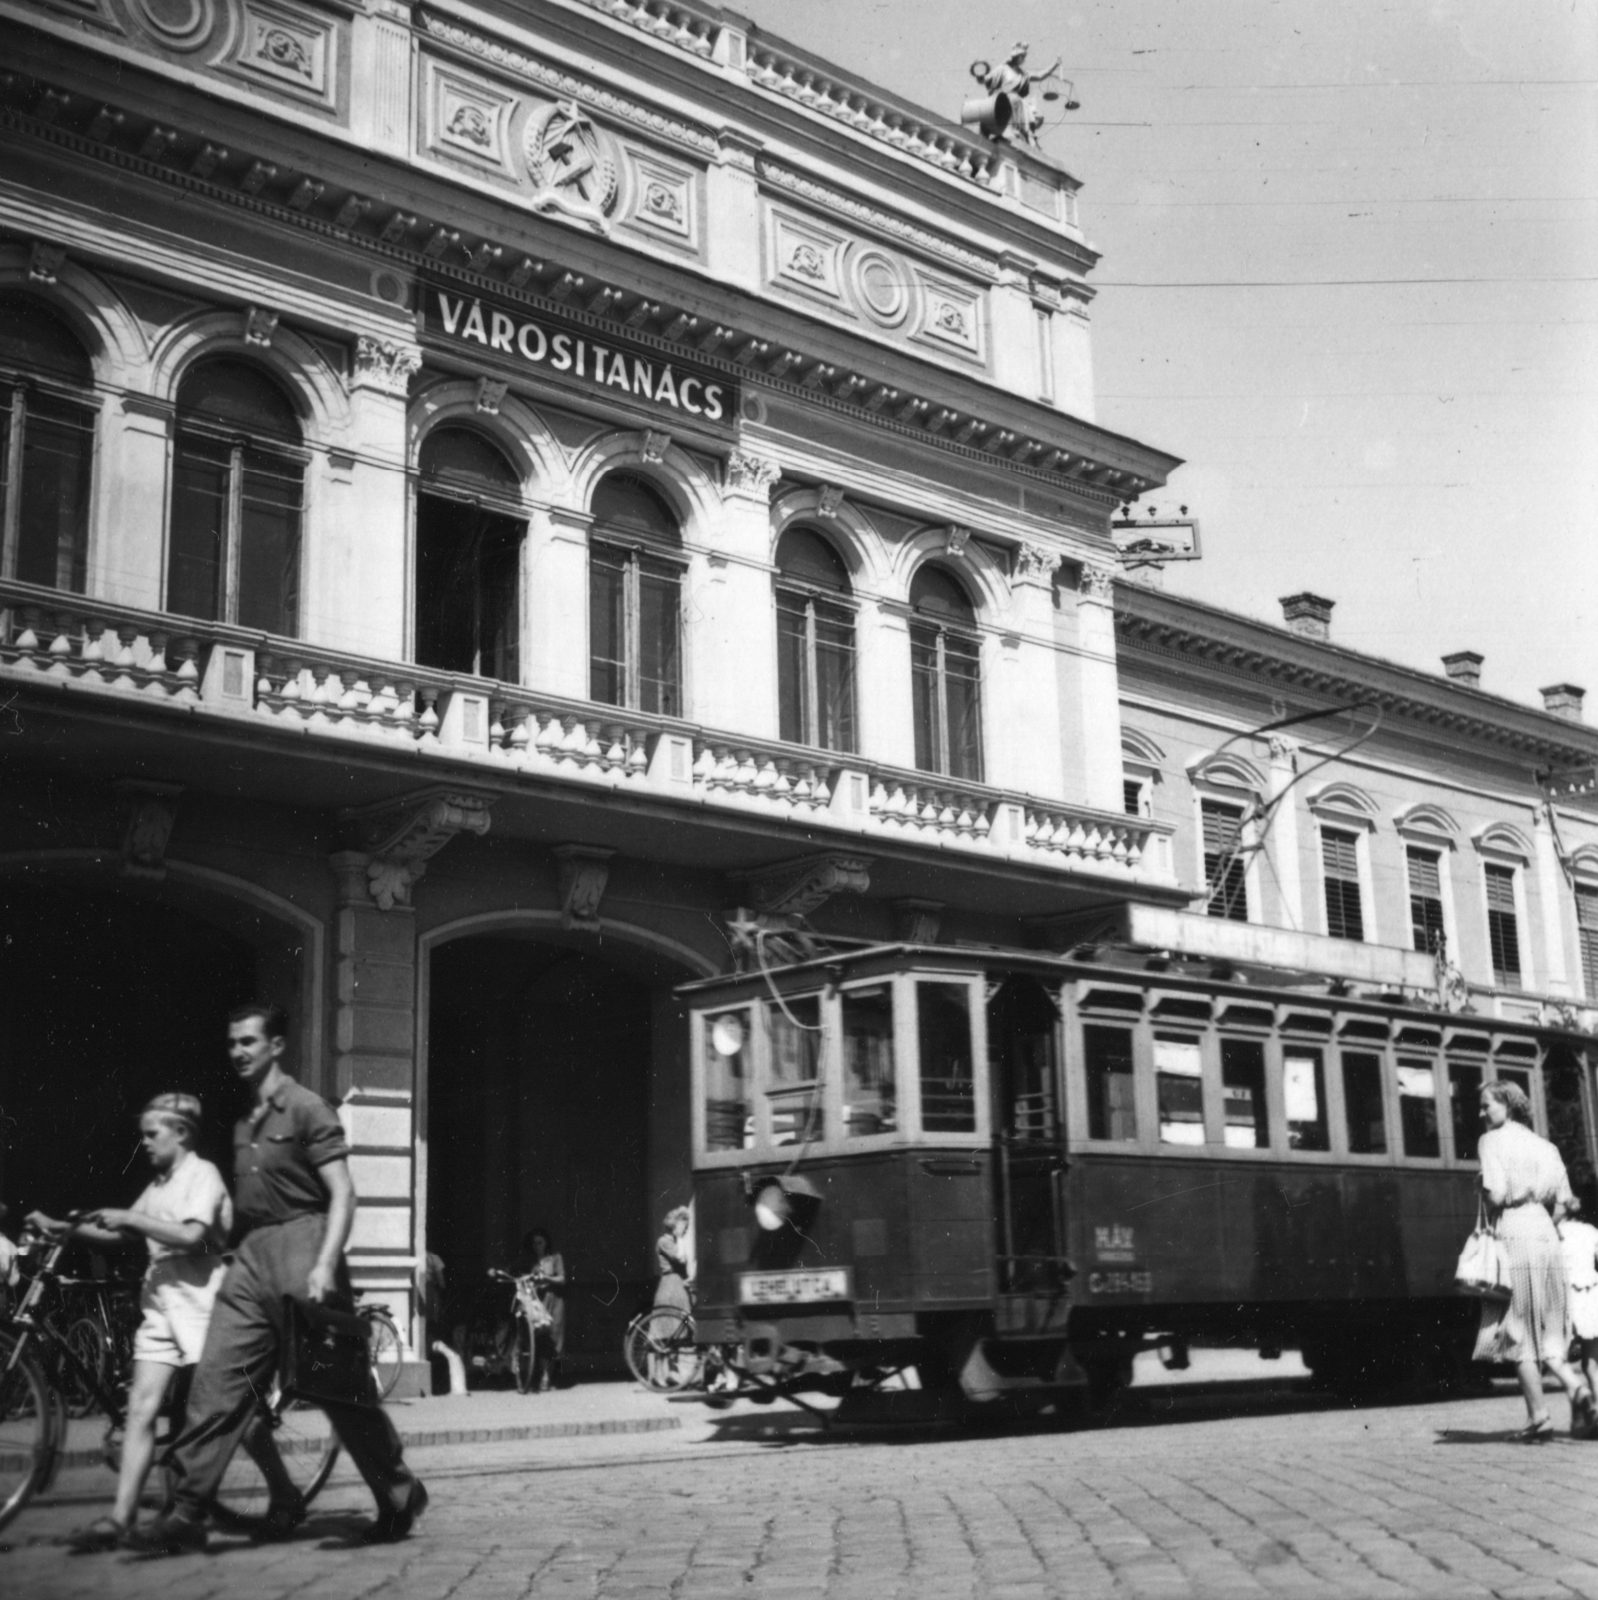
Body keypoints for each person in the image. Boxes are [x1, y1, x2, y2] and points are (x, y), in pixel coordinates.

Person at [133, 1003, 427, 1552]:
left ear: (275, 1046)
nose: (239, 1052)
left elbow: (344, 1192)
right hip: (252, 1256)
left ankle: (399, 1493)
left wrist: (322, 1264)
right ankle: (188, 1511)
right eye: (233, 1044)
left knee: (338, 1390)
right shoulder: (246, 1123)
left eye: (248, 1042)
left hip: (306, 1247)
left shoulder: (308, 1108)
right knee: (217, 1380)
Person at [29, 1094, 300, 1551]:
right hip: (160, 1305)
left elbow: (193, 1235)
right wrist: (65, 1227)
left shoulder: (203, 1176)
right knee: (141, 1406)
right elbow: (122, 1232)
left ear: (182, 1133)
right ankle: (121, 1518)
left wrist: (131, 1218)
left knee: (238, 1415)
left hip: (203, 1304)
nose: (145, 1143)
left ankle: (285, 1493)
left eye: (153, 1134)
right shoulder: (158, 1186)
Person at [1475, 1080, 1595, 1440]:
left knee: (1519, 1329)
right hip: (1546, 1232)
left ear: (1507, 1105)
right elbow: (1566, 1200)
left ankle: (1539, 1416)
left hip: (1515, 1230)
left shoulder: (1491, 1141)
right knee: (1553, 1326)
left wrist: (1483, 1187)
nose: (1481, 1114)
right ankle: (1577, 1387)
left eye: (1486, 1106)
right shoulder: (1545, 1145)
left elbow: (1496, 1194)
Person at [1559, 1182, 1598, 1399]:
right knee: (1591, 1366)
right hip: (1592, 1298)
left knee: (1560, 1359)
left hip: (1568, 1298)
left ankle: (1580, 1410)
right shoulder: (1592, 1231)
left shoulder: (1557, 1232)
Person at [520, 1228, 566, 1392]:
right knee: (541, 1338)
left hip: (554, 1299)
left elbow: (562, 1278)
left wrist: (547, 1278)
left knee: (554, 1336)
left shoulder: (555, 1257)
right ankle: (541, 1376)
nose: (537, 1246)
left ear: (546, 1242)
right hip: (539, 1301)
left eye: (540, 1242)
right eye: (534, 1243)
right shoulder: (532, 1261)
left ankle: (548, 1377)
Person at [654, 1206, 692, 1315]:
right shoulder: (663, 1242)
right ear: (674, 1226)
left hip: (677, 1283)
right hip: (671, 1285)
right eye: (684, 1227)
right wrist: (680, 1237)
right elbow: (680, 1258)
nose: (685, 1230)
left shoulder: (673, 1242)